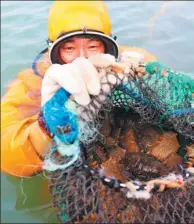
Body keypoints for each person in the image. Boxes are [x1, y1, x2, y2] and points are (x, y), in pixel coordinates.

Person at [1, 1, 156, 177]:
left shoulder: (131, 62)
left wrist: (139, 79)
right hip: (76, 176)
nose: (82, 58)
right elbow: (6, 155)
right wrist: (45, 126)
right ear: (54, 50)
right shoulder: (30, 82)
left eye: (92, 46)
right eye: (69, 48)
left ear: (108, 47)